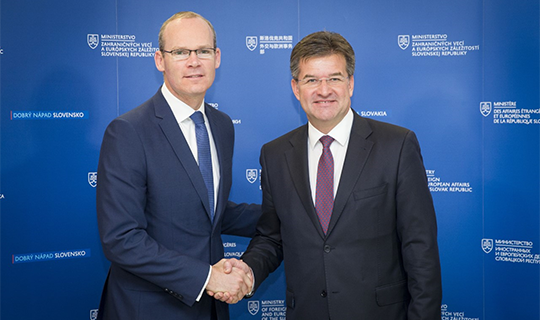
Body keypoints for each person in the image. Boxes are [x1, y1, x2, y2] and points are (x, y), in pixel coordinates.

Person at [222, 31, 442, 319]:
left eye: (334, 78)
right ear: (295, 87)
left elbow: (420, 248)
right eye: (311, 80)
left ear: (350, 84)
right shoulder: (275, 154)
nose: (323, 90)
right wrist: (247, 272)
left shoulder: (397, 146)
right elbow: (272, 237)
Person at [96, 11, 260, 320]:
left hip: (211, 309)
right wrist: (207, 277)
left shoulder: (222, 126)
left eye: (203, 51)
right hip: (149, 309)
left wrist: (292, 212)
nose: (194, 61)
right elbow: (121, 239)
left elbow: (208, 212)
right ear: (160, 60)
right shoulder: (128, 131)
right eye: (181, 52)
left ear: (218, 57)